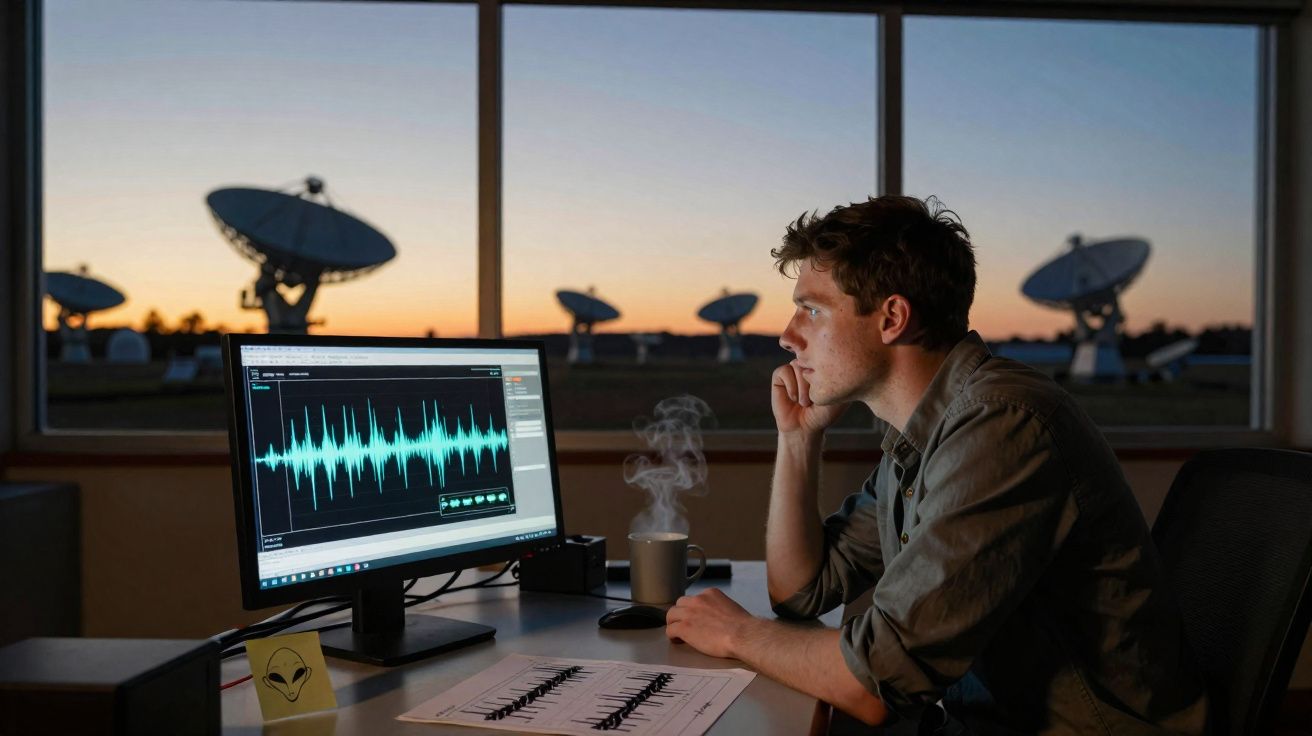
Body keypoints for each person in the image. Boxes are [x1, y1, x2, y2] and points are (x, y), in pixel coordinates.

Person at [664, 195, 1208, 735]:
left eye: (812, 309)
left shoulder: (1001, 426)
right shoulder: (926, 433)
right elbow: (803, 591)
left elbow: (876, 682)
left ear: (892, 318)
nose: (787, 335)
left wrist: (737, 634)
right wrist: (798, 438)